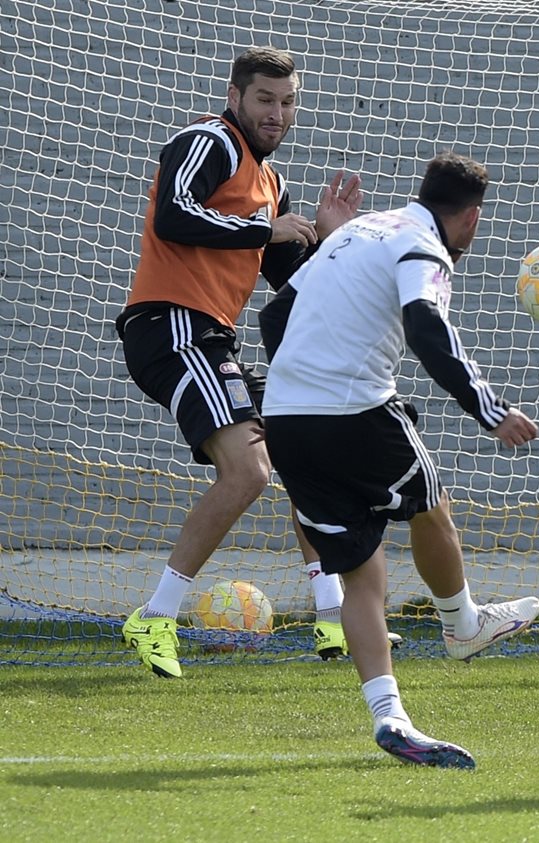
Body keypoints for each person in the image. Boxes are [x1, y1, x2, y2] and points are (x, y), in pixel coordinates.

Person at [259, 151, 539, 768]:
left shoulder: (360, 230)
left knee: (362, 574)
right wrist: (490, 410)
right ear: (470, 218)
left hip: (286, 419)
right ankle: (463, 625)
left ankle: (391, 718)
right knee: (431, 501)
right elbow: (426, 326)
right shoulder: (423, 246)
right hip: (354, 412)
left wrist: (297, 382)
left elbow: (274, 313)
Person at [116, 47, 366, 677]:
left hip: (211, 337)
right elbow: (175, 217)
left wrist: (330, 244)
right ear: (236, 97)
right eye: (265, 100)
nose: (277, 114)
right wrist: (268, 230)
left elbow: (290, 280)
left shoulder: (271, 183)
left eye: (288, 103)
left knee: (300, 457)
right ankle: (156, 613)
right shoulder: (211, 141)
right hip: (171, 324)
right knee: (248, 473)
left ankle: (333, 613)